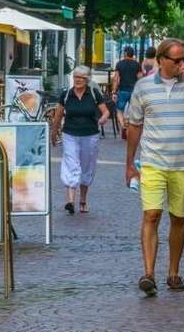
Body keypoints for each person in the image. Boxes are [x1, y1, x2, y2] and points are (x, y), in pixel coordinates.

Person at [124, 37, 184, 297]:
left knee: (178, 217)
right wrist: (130, 164)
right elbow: (134, 125)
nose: (181, 64)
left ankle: (173, 271)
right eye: (176, 60)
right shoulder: (143, 87)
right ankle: (149, 273)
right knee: (151, 215)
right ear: (162, 60)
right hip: (153, 161)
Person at [52, 65, 109, 214]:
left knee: (86, 167)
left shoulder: (94, 93)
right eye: (76, 77)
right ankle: (70, 201)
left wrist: (103, 118)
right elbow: (58, 115)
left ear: (87, 80)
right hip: (70, 134)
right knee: (71, 164)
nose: (78, 80)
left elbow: (105, 111)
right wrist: (53, 132)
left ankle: (83, 199)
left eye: (81, 78)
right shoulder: (66, 94)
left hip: (90, 135)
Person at [111, 48, 141, 135]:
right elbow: (140, 78)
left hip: (123, 90)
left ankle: (124, 126)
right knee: (133, 111)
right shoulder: (136, 64)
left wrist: (114, 91)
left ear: (125, 53)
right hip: (134, 91)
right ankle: (130, 128)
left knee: (119, 110)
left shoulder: (120, 64)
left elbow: (116, 79)